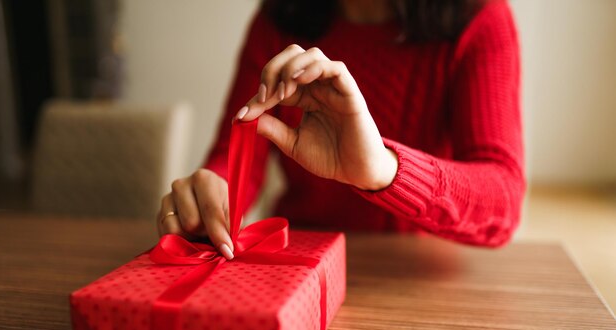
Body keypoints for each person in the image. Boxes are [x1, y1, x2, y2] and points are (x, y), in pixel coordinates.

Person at [157, 0, 525, 260]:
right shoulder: (279, 17)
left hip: (422, 275)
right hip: (300, 263)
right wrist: (213, 195)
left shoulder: (480, 17)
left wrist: (384, 169)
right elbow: (236, 150)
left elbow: (503, 198)